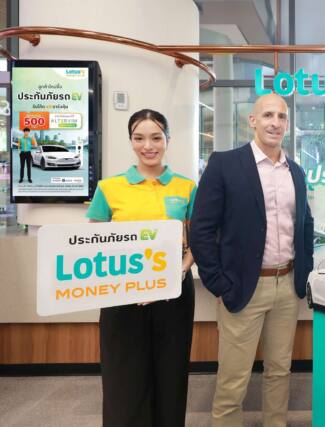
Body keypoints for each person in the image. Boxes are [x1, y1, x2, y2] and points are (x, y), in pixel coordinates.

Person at [190, 93, 314, 427]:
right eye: (268, 115)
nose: (275, 123)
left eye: (282, 116)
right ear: (253, 121)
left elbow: (305, 223)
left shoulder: (296, 171)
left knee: (279, 371)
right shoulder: (225, 164)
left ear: (287, 124)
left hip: (286, 286)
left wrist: (303, 273)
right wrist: (219, 283)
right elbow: (201, 229)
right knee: (234, 378)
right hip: (243, 286)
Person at [86, 109, 197, 427]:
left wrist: (178, 271)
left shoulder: (186, 187)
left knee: (171, 373)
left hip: (173, 293)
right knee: (124, 376)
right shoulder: (109, 188)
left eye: (156, 137)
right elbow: (94, 241)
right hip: (122, 295)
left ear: (167, 140)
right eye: (139, 138)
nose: (148, 146)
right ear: (131, 141)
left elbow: (198, 241)